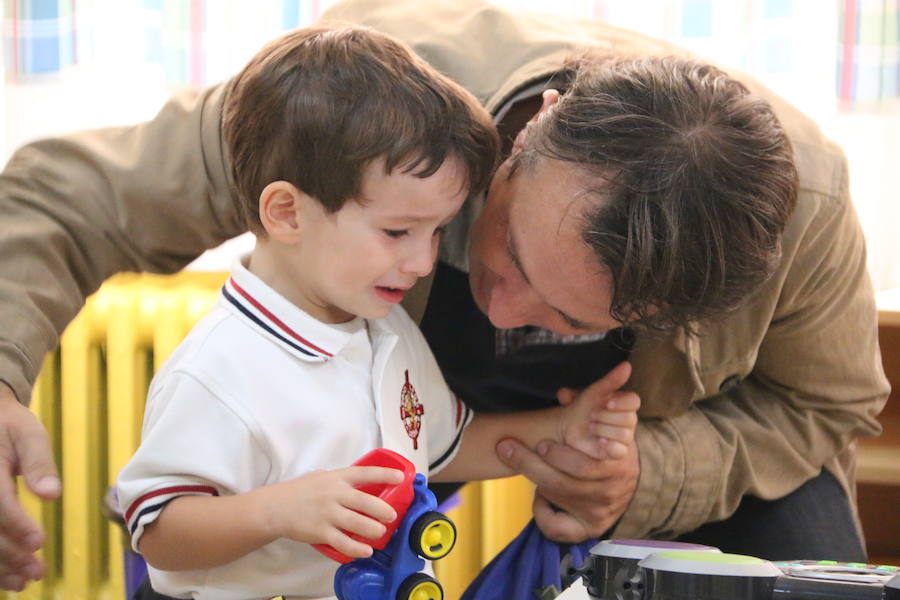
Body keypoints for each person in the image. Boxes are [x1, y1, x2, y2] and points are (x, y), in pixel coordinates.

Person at [0, 0, 889, 591]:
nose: (503, 312)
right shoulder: (364, 109)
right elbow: (63, 199)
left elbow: (825, 402)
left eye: (572, 319)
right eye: (507, 250)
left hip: (666, 440)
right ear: (527, 130)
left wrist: (645, 476)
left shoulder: (800, 214)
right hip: (397, 426)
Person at [113, 24, 639, 600]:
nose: (421, 261)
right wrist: (275, 512)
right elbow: (158, 532)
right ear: (287, 213)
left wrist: (563, 430)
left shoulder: (387, 328)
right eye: (397, 231)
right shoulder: (218, 369)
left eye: (437, 231)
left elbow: (447, 446)